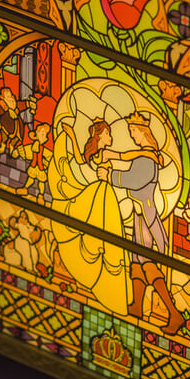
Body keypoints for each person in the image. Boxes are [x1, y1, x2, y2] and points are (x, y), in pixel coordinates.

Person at [102, 112, 184, 335]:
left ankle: (174, 314)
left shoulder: (147, 159)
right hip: (138, 217)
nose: (132, 136)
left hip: (146, 220)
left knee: (147, 263)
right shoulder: (144, 156)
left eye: (133, 131)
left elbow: (135, 180)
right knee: (137, 262)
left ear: (143, 131)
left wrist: (110, 175)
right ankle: (137, 306)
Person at [47, 119, 129, 316]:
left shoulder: (105, 155)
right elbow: (79, 160)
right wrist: (71, 135)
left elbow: (125, 156)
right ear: (99, 136)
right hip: (94, 199)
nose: (111, 137)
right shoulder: (97, 155)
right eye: (107, 133)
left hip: (104, 200)